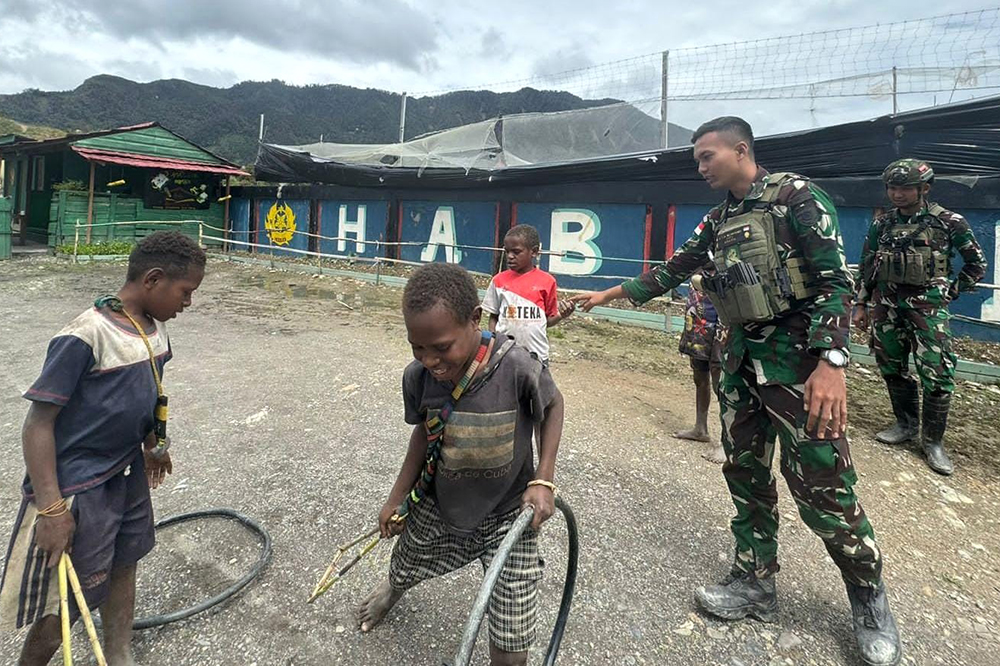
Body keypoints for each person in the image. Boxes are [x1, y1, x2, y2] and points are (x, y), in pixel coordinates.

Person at [571, 117, 901, 666]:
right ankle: (755, 581)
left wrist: (832, 363)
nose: (700, 166)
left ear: (740, 150)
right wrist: (610, 293)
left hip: (799, 370)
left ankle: (868, 595)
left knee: (823, 486)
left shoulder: (796, 198)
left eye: (707, 156)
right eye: (697, 159)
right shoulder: (720, 218)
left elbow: (835, 284)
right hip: (741, 366)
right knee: (746, 476)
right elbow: (677, 268)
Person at [0, 231, 206, 666]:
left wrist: (154, 444)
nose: (188, 303)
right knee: (68, 595)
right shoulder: (84, 335)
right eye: (185, 292)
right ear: (153, 279)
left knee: (125, 562)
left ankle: (118, 651)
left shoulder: (155, 328)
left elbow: (150, 391)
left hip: (126, 473)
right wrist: (53, 510)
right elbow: (38, 424)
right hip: (79, 487)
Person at [355, 262, 565, 666]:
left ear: (474, 319)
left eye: (442, 346)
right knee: (406, 561)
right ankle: (394, 589)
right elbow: (423, 436)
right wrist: (397, 499)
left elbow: (553, 405)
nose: (430, 360)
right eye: (418, 346)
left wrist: (544, 479)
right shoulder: (417, 378)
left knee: (511, 638)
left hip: (509, 514)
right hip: (440, 502)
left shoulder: (516, 366)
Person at [854, 159, 987, 476]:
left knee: (937, 373)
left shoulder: (948, 222)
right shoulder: (882, 224)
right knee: (890, 365)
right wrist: (861, 305)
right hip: (886, 307)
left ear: (924, 188)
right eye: (892, 188)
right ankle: (905, 424)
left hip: (927, 309)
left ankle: (933, 441)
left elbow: (976, 264)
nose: (897, 194)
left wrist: (949, 291)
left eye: (905, 188)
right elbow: (867, 264)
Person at [482, 224, 575, 365]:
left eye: (516, 252)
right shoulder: (498, 281)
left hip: (537, 355)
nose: (510, 257)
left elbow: (546, 321)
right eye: (507, 251)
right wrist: (494, 342)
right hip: (504, 354)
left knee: (536, 387)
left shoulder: (547, 281)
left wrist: (561, 315)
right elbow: (494, 317)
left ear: (534, 252)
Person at [674, 267, 726, 463]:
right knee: (699, 376)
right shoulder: (698, 245)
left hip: (723, 324)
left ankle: (726, 442)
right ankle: (700, 428)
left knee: (721, 383)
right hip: (698, 322)